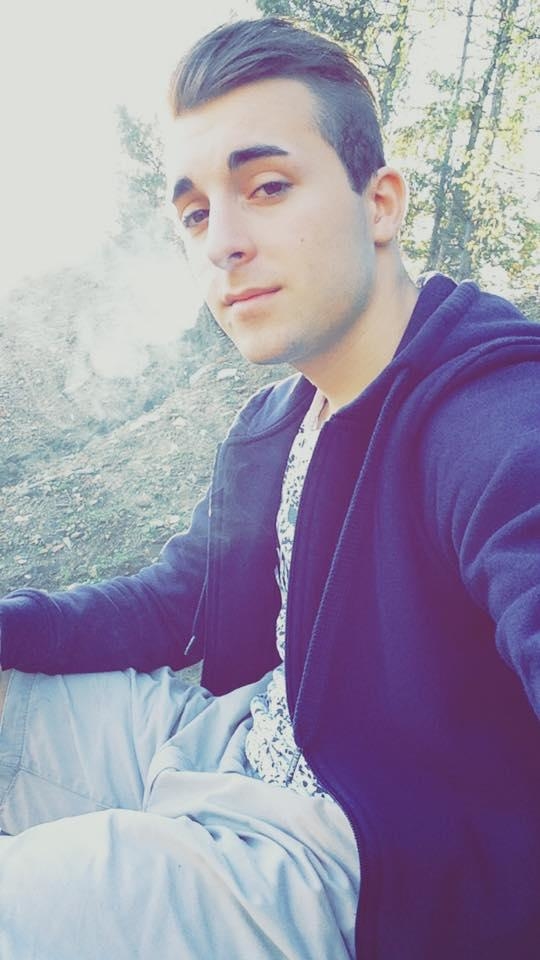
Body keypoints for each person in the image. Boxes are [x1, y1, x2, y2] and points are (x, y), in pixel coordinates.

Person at [0, 16, 539, 960]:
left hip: (350, 859)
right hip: (229, 743)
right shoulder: (281, 419)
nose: (222, 243)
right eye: (195, 214)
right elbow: (175, 603)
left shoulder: (488, 416)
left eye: (267, 187)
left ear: (380, 203)